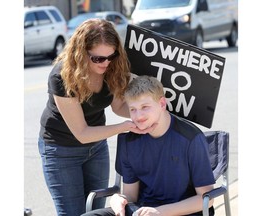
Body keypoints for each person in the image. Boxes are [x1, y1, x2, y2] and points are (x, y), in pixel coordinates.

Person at [38, 19, 154, 216]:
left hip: (96, 147)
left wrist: (147, 112)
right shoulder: (61, 76)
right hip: (61, 150)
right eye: (98, 59)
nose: (106, 62)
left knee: (96, 211)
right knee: (72, 213)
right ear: (81, 53)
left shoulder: (113, 67)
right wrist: (125, 126)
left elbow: (118, 106)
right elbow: (82, 133)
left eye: (111, 55)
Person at [82, 76, 216, 216]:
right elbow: (131, 197)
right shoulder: (130, 141)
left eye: (145, 107)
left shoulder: (191, 138)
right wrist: (117, 199)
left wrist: (160, 212)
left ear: (162, 104)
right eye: (132, 109)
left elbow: (206, 199)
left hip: (183, 211)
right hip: (143, 210)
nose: (138, 115)